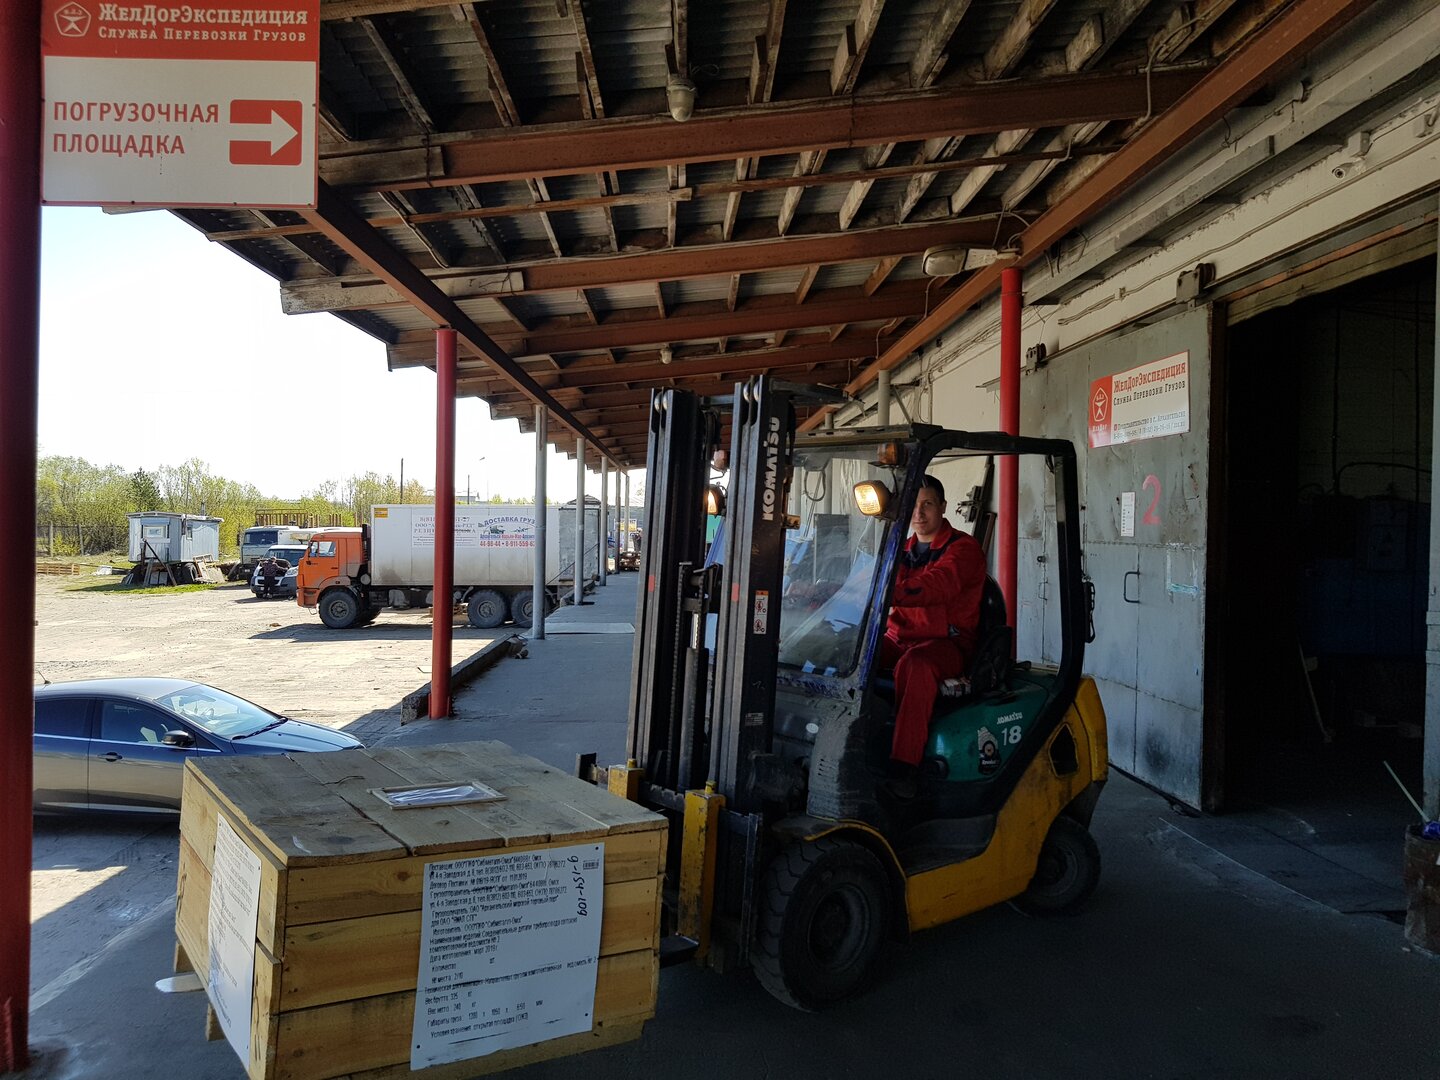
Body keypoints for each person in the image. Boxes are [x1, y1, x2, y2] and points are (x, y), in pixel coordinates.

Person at [880, 474, 988, 795]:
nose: (919, 512)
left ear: (943, 507)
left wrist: (888, 591)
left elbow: (939, 583)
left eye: (927, 504)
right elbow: (872, 574)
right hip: (900, 637)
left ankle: (904, 769)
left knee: (916, 666)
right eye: (914, 504)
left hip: (946, 643)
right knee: (849, 652)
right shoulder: (902, 548)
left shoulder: (963, 549)